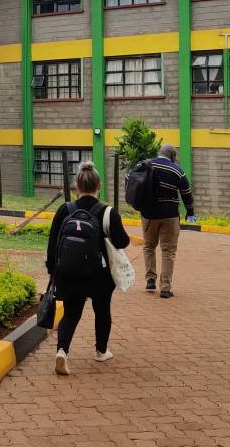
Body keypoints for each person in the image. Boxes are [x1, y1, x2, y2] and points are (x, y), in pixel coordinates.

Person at [46, 161, 130, 376]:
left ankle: (62, 352)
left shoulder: (64, 209)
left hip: (69, 272)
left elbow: (53, 243)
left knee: (72, 313)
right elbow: (122, 242)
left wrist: (53, 270)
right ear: (98, 185)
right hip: (99, 275)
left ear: (76, 185)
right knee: (102, 310)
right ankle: (101, 351)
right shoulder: (108, 212)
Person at [142, 144, 196, 299]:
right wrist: (190, 212)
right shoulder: (176, 170)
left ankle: (150, 279)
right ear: (172, 156)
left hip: (149, 215)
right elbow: (186, 193)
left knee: (148, 246)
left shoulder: (146, 165)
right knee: (168, 251)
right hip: (170, 215)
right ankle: (165, 288)